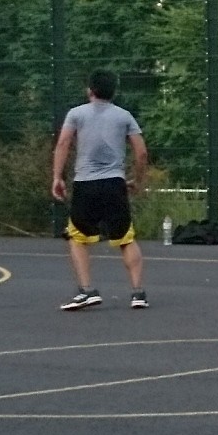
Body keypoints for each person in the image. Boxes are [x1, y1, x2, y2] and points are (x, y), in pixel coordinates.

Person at [48, 69, 149, 311]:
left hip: (86, 184)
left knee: (77, 237)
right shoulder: (124, 116)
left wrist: (57, 177)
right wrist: (137, 179)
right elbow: (141, 152)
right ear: (113, 91)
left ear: (90, 90)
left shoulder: (76, 114)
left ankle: (87, 290)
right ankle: (138, 293)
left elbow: (63, 143)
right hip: (115, 183)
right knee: (126, 237)